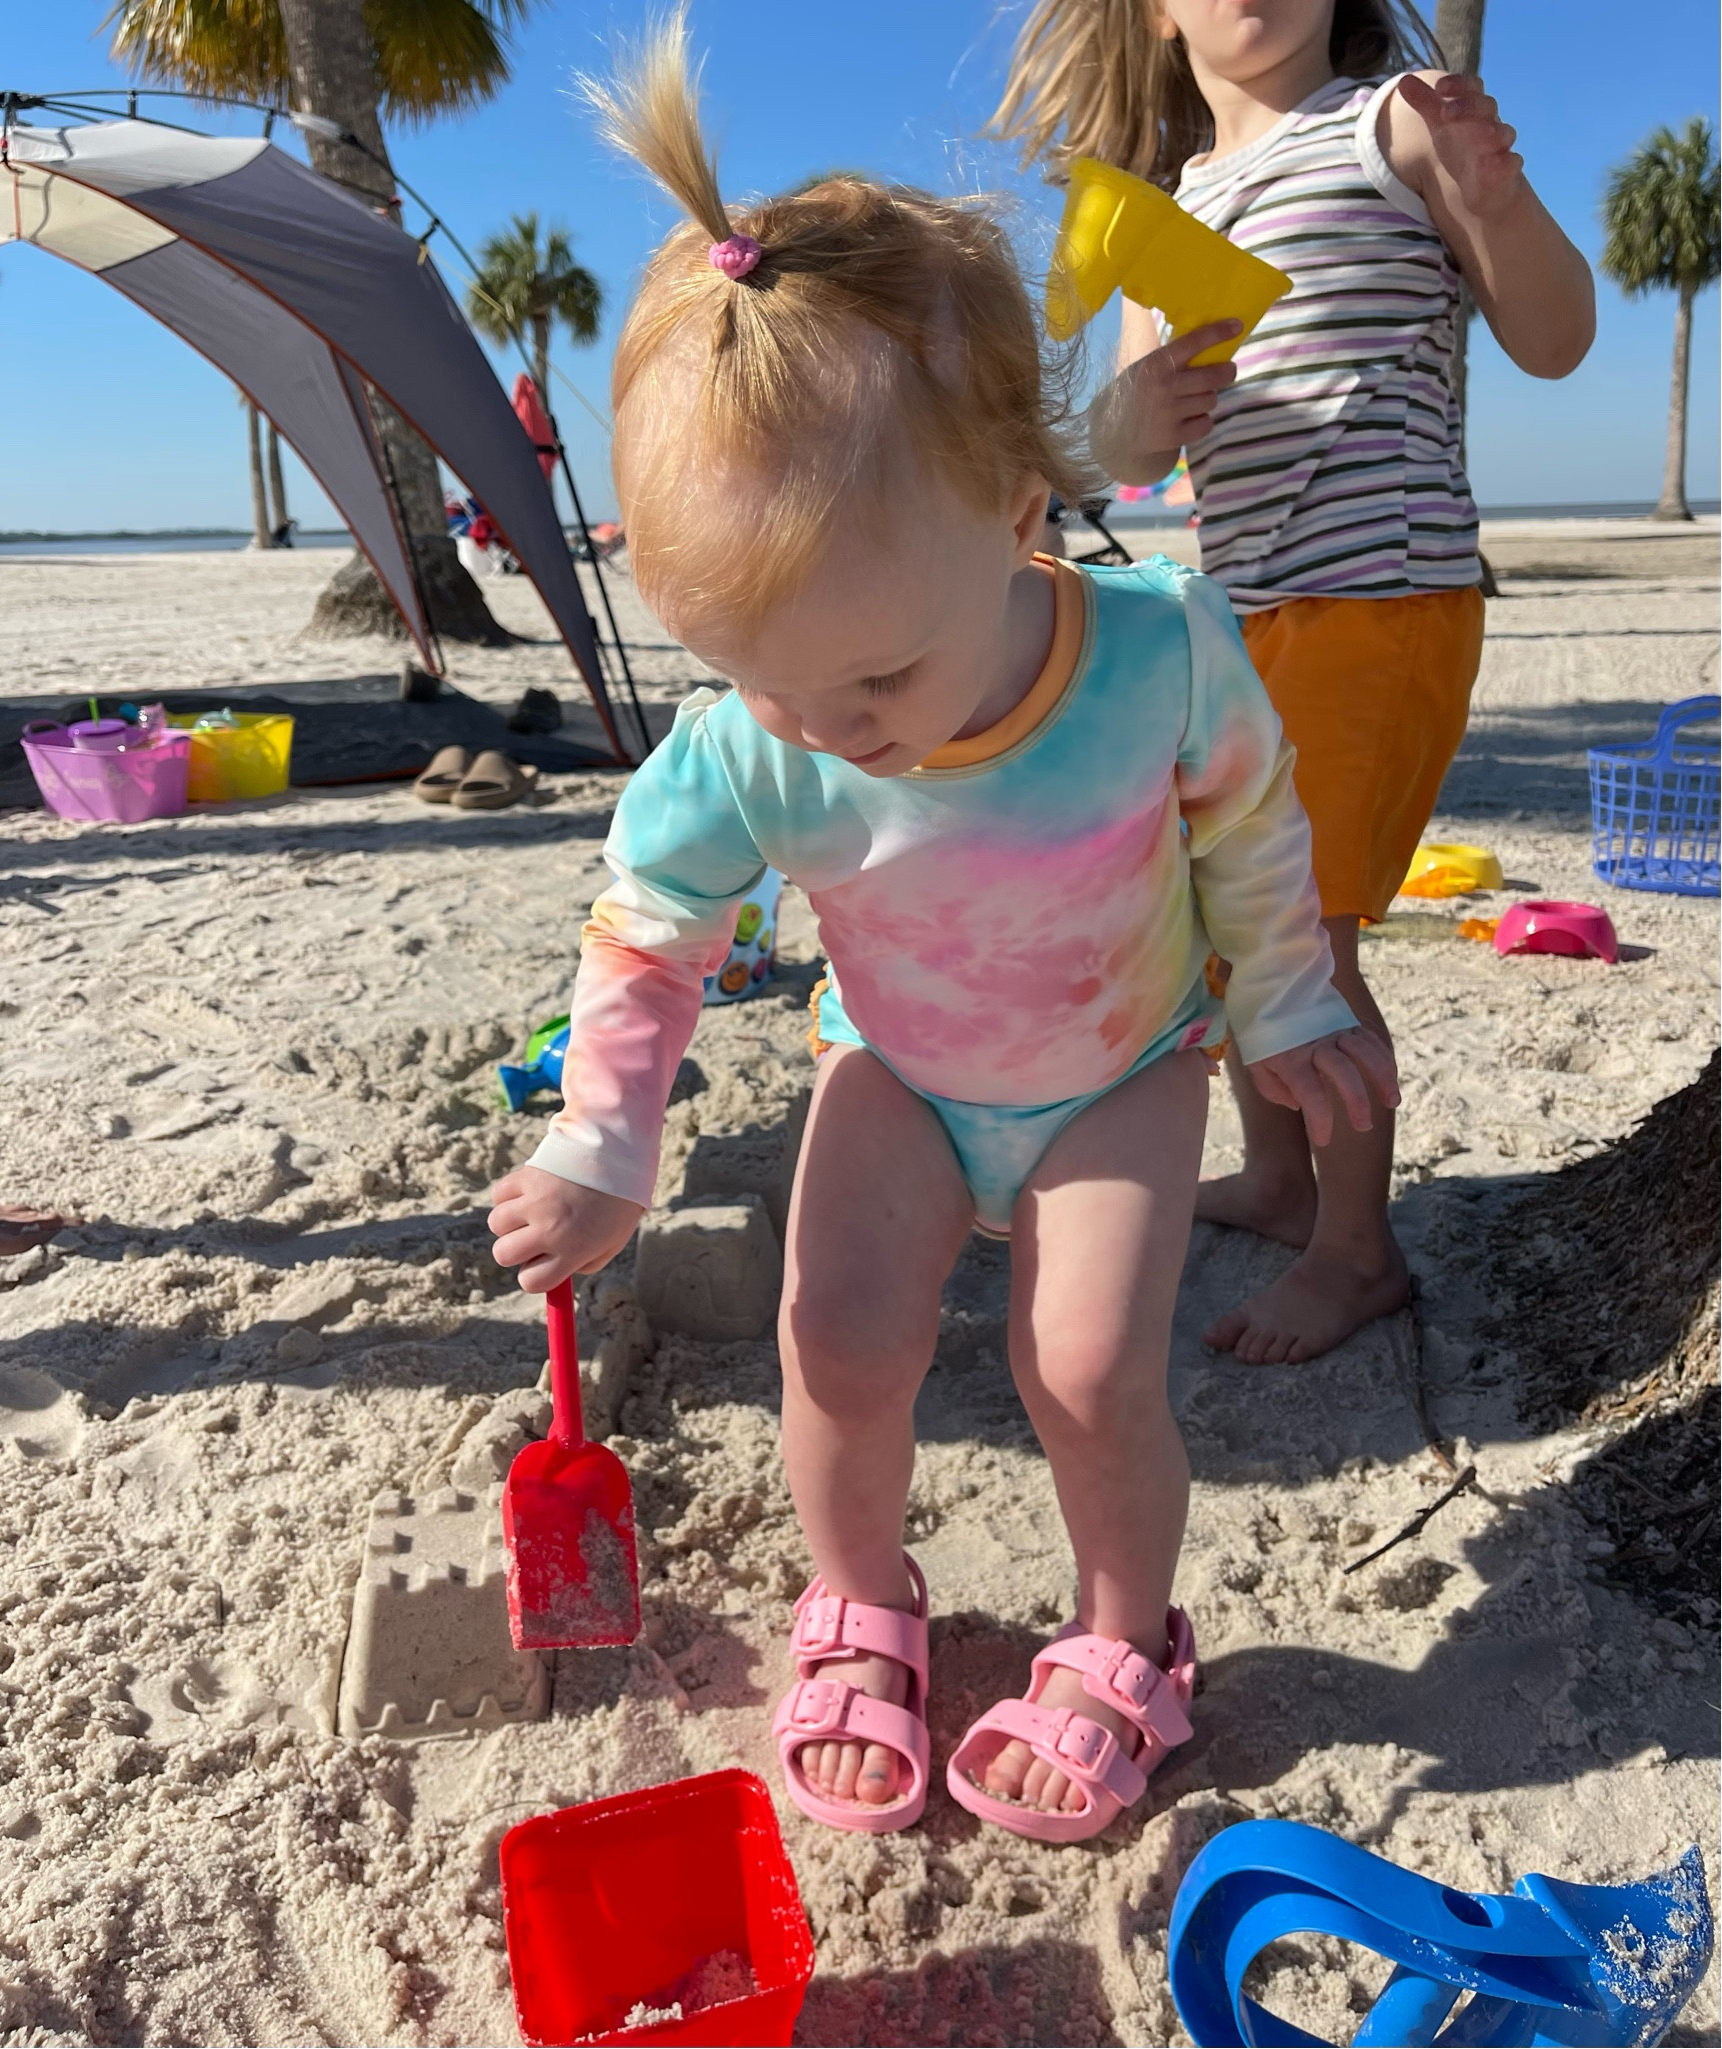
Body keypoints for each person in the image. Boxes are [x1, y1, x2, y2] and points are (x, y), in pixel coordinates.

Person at [487, 16, 1395, 1844]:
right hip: (893, 1063)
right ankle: (865, 1600)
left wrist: (1289, 1002)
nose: (826, 726)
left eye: (876, 673)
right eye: (764, 679)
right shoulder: (764, 728)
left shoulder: (1157, 652)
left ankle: (1127, 1633)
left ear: (1016, 499)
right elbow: (650, 924)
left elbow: (1248, 823)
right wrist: (604, 1137)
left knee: (1081, 1370)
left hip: (1116, 1069)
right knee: (832, 1336)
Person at [994, 0, 1594, 1364]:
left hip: (1381, 596)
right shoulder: (1164, 208)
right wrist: (1127, 424)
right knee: (1225, 922)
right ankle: (1275, 1183)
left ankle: (1353, 1250)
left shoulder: (1397, 123)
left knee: (1306, 944)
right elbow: (1116, 443)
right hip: (1231, 617)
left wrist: (1493, 197)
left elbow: (1554, 337)